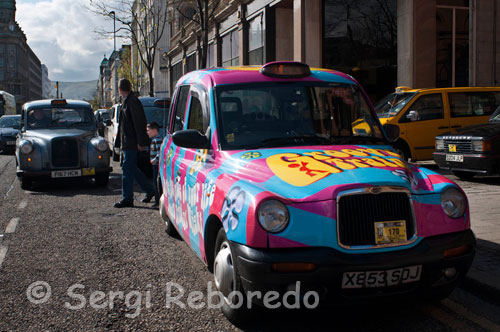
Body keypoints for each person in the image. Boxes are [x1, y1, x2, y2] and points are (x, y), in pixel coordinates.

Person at [114, 78, 154, 208]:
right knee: (131, 168)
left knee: (127, 168)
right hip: (129, 142)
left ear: (120, 89)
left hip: (131, 142)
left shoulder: (131, 102)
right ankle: (150, 189)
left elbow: (138, 123)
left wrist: (141, 142)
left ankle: (127, 198)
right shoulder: (129, 101)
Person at [146, 122, 163, 208]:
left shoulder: (158, 139)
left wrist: (155, 160)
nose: (147, 132)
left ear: (155, 130)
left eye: (149, 130)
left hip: (157, 165)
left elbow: (160, 152)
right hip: (154, 164)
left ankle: (157, 201)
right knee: (155, 182)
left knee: (156, 183)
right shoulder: (155, 139)